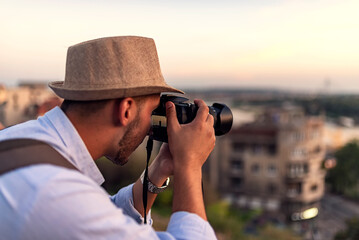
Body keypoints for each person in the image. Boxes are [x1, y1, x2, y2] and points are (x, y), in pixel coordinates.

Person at [0, 36, 217, 239]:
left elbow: (103, 213)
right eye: (152, 111)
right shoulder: (54, 193)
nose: (151, 128)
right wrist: (189, 165)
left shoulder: (23, 138)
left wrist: (159, 168)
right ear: (126, 110)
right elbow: (82, 214)